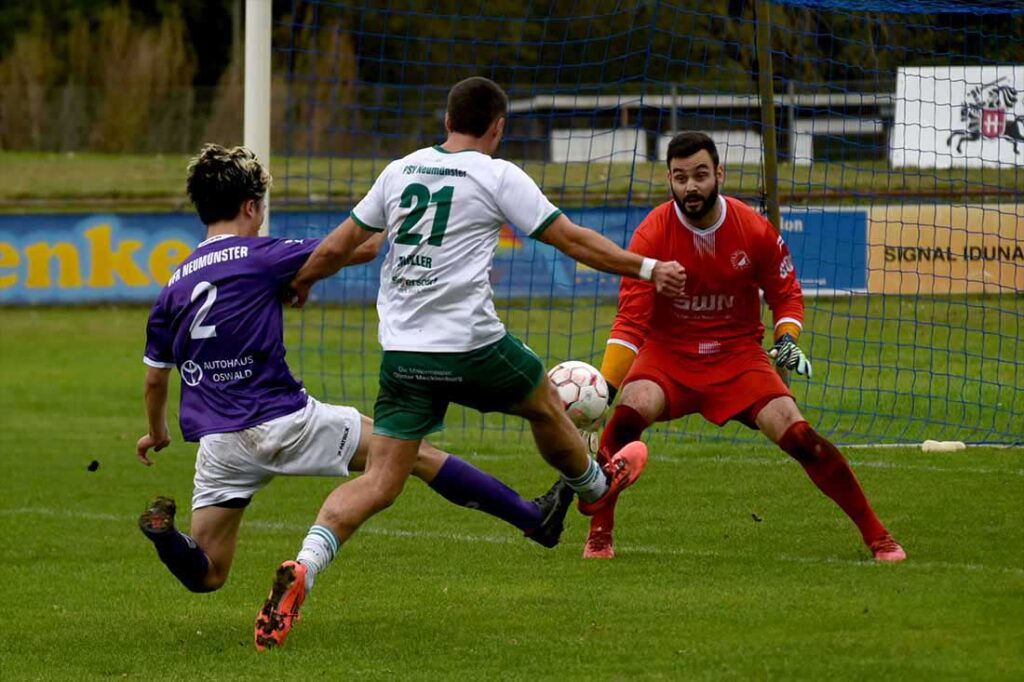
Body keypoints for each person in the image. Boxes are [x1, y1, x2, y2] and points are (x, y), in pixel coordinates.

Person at [254, 76, 687, 650]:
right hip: (472, 346)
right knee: (543, 399)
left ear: (446, 121)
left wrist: (301, 281)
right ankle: (593, 487)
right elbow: (573, 240)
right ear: (498, 127)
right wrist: (647, 269)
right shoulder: (498, 174)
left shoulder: (400, 170)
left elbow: (336, 245)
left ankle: (305, 565)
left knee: (381, 480)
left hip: (404, 355)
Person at [136, 143, 577, 601]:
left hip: (221, 443)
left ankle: (165, 537)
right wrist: (395, 199)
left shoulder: (174, 285)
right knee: (413, 455)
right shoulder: (262, 256)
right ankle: (533, 517)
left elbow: (154, 378)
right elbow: (363, 246)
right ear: (251, 207)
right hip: (286, 421)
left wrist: (157, 432)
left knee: (208, 572)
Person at [580, 131, 907, 563]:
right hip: (669, 355)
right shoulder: (652, 233)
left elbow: (786, 293)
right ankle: (600, 533)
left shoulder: (752, 228)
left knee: (800, 436)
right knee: (627, 413)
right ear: (670, 181)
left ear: (719, 174)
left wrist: (786, 339)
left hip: (737, 356)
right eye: (680, 177)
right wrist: (605, 385)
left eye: (700, 175)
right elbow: (631, 321)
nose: (690, 186)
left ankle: (878, 536)